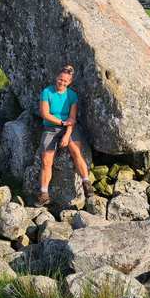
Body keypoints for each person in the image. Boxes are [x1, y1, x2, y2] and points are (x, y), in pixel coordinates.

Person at [36, 64, 92, 206]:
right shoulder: (47, 92)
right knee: (46, 160)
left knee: (76, 151)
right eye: (60, 79)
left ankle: (86, 184)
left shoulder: (72, 95)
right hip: (51, 128)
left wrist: (67, 135)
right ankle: (44, 193)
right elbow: (45, 113)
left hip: (69, 128)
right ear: (57, 77)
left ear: (70, 82)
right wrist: (61, 122)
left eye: (65, 81)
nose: (62, 82)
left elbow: (72, 118)